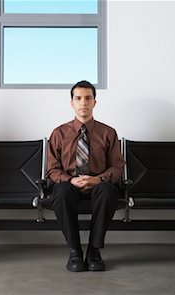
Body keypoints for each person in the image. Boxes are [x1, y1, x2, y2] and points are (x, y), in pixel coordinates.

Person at [46, 80, 125, 272]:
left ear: (94, 102)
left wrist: (99, 179)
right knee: (62, 190)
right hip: (70, 185)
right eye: (78, 98)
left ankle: (94, 251)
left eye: (88, 98)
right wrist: (71, 180)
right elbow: (52, 169)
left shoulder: (108, 133)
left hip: (98, 185)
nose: (83, 102)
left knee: (107, 190)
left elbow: (117, 166)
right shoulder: (59, 133)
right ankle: (74, 252)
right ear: (72, 103)